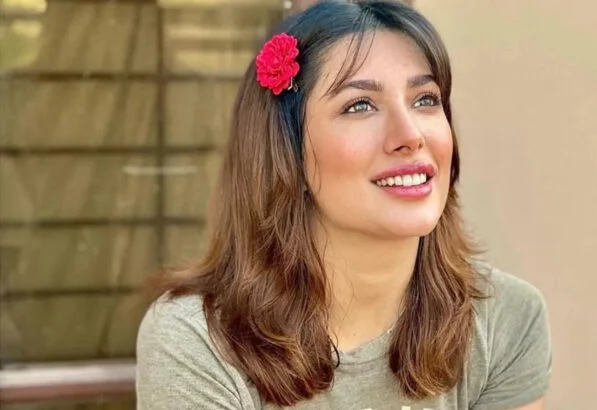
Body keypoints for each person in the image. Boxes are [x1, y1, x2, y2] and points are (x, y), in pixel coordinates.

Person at [136, 1, 552, 409]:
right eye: (360, 105)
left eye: (425, 99)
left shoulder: (505, 317)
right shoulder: (199, 338)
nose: (410, 135)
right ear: (287, 153)